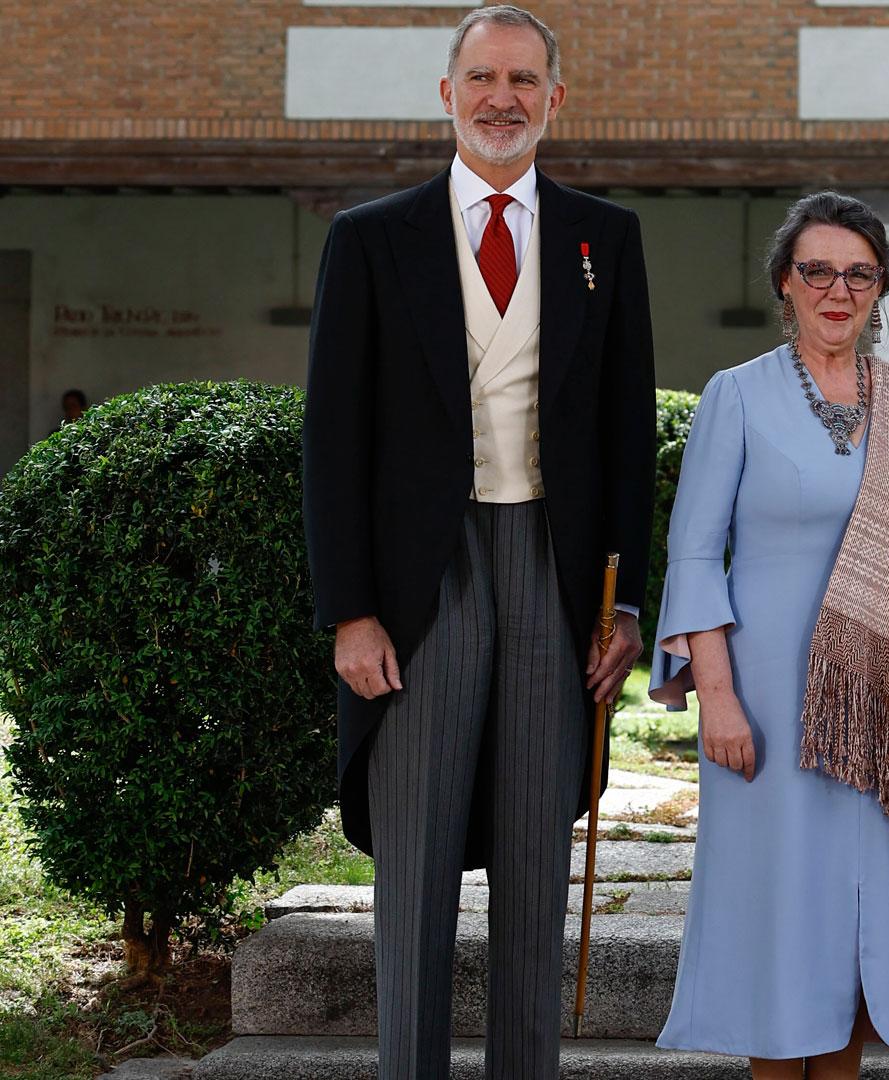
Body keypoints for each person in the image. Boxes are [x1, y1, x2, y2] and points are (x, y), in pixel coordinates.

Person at [301, 6, 654, 1079]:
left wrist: (626, 603)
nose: (504, 98)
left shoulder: (603, 238)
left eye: (525, 79)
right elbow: (333, 437)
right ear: (447, 93)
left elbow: (627, 431)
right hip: (424, 576)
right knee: (415, 861)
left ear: (557, 99)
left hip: (554, 565)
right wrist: (350, 611)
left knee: (535, 860)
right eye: (484, 77)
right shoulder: (371, 238)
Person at [648, 191, 889, 1080]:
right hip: (763, 703)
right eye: (818, 272)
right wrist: (716, 696)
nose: (838, 291)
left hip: (874, 700)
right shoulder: (737, 395)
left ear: (881, 288)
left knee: (854, 919)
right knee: (777, 920)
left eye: (859, 275)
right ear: (785, 283)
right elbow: (694, 554)